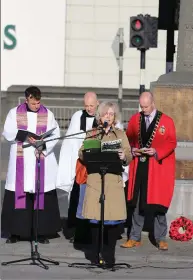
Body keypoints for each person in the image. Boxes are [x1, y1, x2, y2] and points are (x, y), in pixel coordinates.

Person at [1, 86, 61, 244]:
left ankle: (40, 232)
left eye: (38, 103)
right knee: (18, 194)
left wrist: (43, 144)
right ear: (26, 99)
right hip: (21, 158)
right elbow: (8, 132)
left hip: (39, 156)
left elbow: (55, 133)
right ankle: (15, 232)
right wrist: (26, 136)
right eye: (33, 103)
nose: (37, 106)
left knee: (40, 193)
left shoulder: (47, 114)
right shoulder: (14, 113)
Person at [78, 101, 132, 267]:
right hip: (96, 181)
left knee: (111, 223)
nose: (108, 116)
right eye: (105, 114)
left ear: (115, 117)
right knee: (95, 221)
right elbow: (81, 153)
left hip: (112, 182)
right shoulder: (92, 133)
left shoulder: (120, 134)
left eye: (111, 114)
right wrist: (85, 152)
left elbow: (129, 155)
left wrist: (124, 156)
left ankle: (109, 256)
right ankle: (95, 255)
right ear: (99, 117)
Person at [121, 91, 177, 251]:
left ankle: (160, 238)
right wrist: (133, 150)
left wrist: (157, 151)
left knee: (158, 205)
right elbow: (128, 139)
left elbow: (172, 142)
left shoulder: (166, 121)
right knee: (137, 204)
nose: (143, 109)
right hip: (140, 166)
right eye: (141, 106)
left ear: (153, 103)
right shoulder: (135, 119)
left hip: (156, 169)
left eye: (146, 106)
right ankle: (134, 237)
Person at [56, 91, 99, 244]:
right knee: (76, 199)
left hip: (96, 166)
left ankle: (93, 232)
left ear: (97, 104)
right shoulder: (77, 116)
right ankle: (74, 231)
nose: (89, 109)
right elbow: (70, 142)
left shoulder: (103, 117)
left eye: (92, 106)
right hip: (79, 165)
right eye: (86, 106)